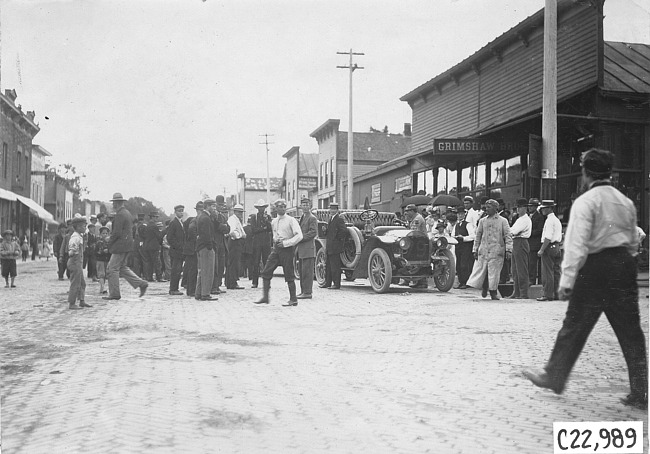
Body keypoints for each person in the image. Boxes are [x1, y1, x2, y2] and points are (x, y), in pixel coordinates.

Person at [523, 148, 647, 410]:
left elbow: (576, 244)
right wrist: (626, 261)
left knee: (574, 324)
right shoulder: (626, 202)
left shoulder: (586, 202)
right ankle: (640, 391)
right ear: (610, 173)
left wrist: (566, 281)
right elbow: (636, 240)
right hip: (623, 266)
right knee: (631, 331)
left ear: (586, 173)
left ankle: (554, 376)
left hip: (595, 268)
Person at [254, 199, 303, 306]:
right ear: (275, 208)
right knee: (266, 271)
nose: (282, 208)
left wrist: (286, 243)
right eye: (280, 206)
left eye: (284, 206)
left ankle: (293, 299)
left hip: (287, 250)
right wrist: (276, 242)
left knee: (289, 274)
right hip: (276, 249)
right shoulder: (274, 221)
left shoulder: (291, 220)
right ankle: (265, 297)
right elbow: (274, 234)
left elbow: (299, 236)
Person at [104, 193, 148, 300]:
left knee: (112, 268)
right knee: (122, 268)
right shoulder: (127, 213)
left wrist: (109, 242)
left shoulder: (120, 214)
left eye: (114, 202)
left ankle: (114, 294)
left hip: (120, 246)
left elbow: (117, 233)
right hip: (127, 245)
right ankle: (141, 283)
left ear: (116, 203)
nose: (113, 204)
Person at [467, 199, 512, 300]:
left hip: (496, 250)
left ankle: (493, 292)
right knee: (483, 271)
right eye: (486, 207)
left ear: (496, 208)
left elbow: (508, 236)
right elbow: (478, 236)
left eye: (489, 207)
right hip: (484, 250)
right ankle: (484, 287)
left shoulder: (503, 221)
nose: (487, 209)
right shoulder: (482, 221)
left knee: (494, 273)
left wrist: (509, 250)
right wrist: (475, 249)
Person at [536, 200, 563, 301]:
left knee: (547, 272)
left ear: (550, 208)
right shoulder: (556, 220)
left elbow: (548, 237)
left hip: (549, 246)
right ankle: (556, 294)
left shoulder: (549, 220)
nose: (543, 210)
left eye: (544, 208)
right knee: (556, 271)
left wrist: (542, 250)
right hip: (556, 246)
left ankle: (547, 294)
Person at [509, 198, 532, 299]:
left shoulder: (526, 219)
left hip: (521, 242)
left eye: (520, 207)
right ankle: (516, 291)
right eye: (517, 207)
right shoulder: (519, 219)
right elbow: (511, 230)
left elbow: (514, 231)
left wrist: (508, 232)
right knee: (514, 269)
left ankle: (523, 293)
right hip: (515, 242)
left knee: (521, 269)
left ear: (525, 208)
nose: (518, 209)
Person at [67, 216, 91, 310]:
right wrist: (73, 251)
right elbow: (71, 251)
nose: (85, 228)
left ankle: (82, 300)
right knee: (75, 283)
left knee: (82, 283)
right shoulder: (75, 237)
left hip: (78, 263)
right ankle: (71, 303)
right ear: (78, 227)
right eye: (83, 226)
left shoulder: (80, 236)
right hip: (75, 263)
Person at [322, 203, 347, 290]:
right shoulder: (331, 219)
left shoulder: (339, 219)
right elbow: (330, 232)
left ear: (337, 210)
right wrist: (325, 231)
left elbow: (344, 231)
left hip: (335, 247)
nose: (332, 211)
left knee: (335, 266)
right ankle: (327, 283)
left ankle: (336, 284)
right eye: (331, 209)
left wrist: (337, 240)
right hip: (330, 246)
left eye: (334, 209)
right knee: (328, 265)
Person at [296, 197, 318, 299]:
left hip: (308, 249)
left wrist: (301, 238)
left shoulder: (312, 218)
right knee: (302, 271)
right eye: (303, 205)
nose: (305, 207)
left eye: (307, 205)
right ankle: (303, 291)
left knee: (307, 272)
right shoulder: (302, 217)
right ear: (301, 206)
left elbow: (313, 232)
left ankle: (308, 292)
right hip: (302, 250)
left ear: (310, 206)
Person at [248, 199, 272, 289]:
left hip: (266, 242)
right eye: (260, 208)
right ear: (257, 208)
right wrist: (264, 228)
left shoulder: (268, 217)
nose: (261, 209)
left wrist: (266, 222)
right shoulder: (254, 217)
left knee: (267, 262)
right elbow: (253, 230)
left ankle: (267, 282)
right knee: (256, 262)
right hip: (257, 242)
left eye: (263, 207)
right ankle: (255, 282)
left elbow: (270, 228)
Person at [195, 199, 216, 301]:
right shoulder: (206, 218)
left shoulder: (201, 217)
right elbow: (207, 234)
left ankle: (198, 293)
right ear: (207, 206)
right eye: (213, 206)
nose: (214, 208)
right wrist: (210, 246)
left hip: (200, 247)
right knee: (208, 271)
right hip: (206, 248)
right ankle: (205, 294)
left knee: (202, 271)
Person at [452, 206, 475, 289]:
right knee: (458, 265)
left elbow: (473, 236)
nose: (460, 216)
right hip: (458, 246)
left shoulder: (468, 224)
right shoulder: (456, 225)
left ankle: (466, 282)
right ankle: (461, 282)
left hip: (466, 246)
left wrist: (463, 238)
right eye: (458, 214)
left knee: (464, 264)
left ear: (464, 215)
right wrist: (455, 237)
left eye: (462, 214)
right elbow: (452, 235)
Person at [182, 202, 202, 298]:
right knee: (192, 270)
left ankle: (191, 289)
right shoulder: (195, 220)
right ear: (198, 211)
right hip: (192, 249)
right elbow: (191, 230)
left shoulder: (193, 220)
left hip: (190, 248)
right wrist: (197, 238)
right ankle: (191, 290)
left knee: (191, 269)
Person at [212, 195, 230, 293]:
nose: (221, 207)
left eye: (222, 205)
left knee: (221, 265)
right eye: (219, 204)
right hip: (215, 242)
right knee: (215, 265)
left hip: (222, 243)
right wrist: (223, 227)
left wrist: (223, 227)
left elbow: (228, 228)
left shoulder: (222, 216)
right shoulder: (213, 215)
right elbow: (217, 227)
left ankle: (218, 284)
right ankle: (213, 286)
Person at [226, 204, 247, 290]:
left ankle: (232, 281)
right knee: (234, 263)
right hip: (235, 242)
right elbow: (232, 231)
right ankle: (232, 282)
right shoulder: (232, 219)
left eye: (241, 212)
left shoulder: (236, 219)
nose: (240, 214)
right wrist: (239, 236)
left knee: (234, 262)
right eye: (239, 212)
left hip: (237, 243)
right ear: (235, 212)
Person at [167, 204, 186, 296]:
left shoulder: (181, 222)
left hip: (179, 251)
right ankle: (173, 288)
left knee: (178, 270)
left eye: (182, 211)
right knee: (175, 270)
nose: (181, 213)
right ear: (175, 212)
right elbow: (170, 238)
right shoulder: (173, 223)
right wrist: (178, 246)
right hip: (175, 251)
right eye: (179, 211)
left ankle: (175, 288)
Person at [527, 198, 545, 285]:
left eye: (532, 206)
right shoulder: (527, 216)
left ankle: (535, 280)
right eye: (529, 206)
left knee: (534, 263)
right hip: (529, 243)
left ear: (536, 207)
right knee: (530, 263)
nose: (530, 208)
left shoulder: (540, 217)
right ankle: (531, 279)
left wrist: (528, 232)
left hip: (535, 243)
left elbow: (539, 230)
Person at [142, 211, 164, 282]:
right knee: (157, 262)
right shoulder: (154, 226)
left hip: (147, 246)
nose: (157, 218)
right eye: (156, 217)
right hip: (154, 246)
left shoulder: (147, 225)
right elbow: (159, 236)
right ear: (153, 217)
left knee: (149, 262)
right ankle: (159, 277)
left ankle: (149, 277)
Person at [95, 226, 111, 294]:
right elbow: (95, 252)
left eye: (106, 233)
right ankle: (102, 288)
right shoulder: (98, 242)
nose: (105, 235)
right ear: (100, 234)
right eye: (103, 233)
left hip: (107, 260)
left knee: (107, 275)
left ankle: (106, 288)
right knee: (101, 275)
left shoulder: (110, 243)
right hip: (100, 260)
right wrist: (102, 252)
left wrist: (109, 251)